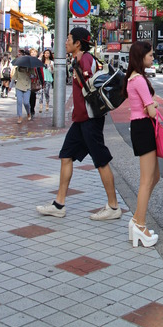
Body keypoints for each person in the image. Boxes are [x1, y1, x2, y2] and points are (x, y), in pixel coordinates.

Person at [36, 27, 122, 221]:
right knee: (66, 155)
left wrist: (79, 73)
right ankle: (59, 205)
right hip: (81, 120)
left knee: (101, 161)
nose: (65, 42)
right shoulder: (79, 60)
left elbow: (90, 86)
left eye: (68, 39)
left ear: (77, 43)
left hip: (90, 120)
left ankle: (114, 207)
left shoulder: (85, 60)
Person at [123, 41, 159, 247]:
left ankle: (137, 218)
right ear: (141, 56)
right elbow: (150, 111)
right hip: (144, 127)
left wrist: (150, 106)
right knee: (147, 180)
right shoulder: (139, 80)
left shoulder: (132, 78)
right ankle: (140, 225)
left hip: (139, 127)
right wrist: (154, 105)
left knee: (155, 176)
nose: (153, 58)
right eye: (150, 55)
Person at [29, 47, 43, 118]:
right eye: (32, 52)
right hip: (28, 81)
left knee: (33, 96)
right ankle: (29, 108)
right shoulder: (28, 61)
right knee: (28, 96)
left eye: (34, 52)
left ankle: (32, 109)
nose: (33, 53)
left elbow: (41, 73)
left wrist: (42, 82)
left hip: (34, 81)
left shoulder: (38, 62)